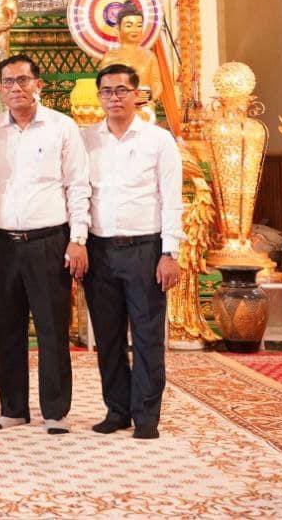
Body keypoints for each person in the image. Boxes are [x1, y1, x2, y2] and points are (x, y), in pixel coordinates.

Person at [0, 54, 91, 434]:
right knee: (6, 329)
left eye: (23, 80)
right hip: (2, 244)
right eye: (8, 82)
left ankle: (55, 411)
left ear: (38, 84)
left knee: (51, 329)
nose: (16, 88)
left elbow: (78, 185)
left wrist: (78, 239)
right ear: (0, 89)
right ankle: (12, 408)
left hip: (49, 241)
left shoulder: (62, 127)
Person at [82, 63, 183, 439]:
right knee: (107, 337)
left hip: (145, 248)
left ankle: (146, 415)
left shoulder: (158, 140)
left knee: (146, 335)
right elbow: (80, 193)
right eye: (107, 91)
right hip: (100, 249)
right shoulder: (86, 140)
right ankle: (117, 410)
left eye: (121, 90)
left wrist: (169, 253)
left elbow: (171, 198)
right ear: (99, 97)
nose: (114, 98)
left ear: (137, 95)